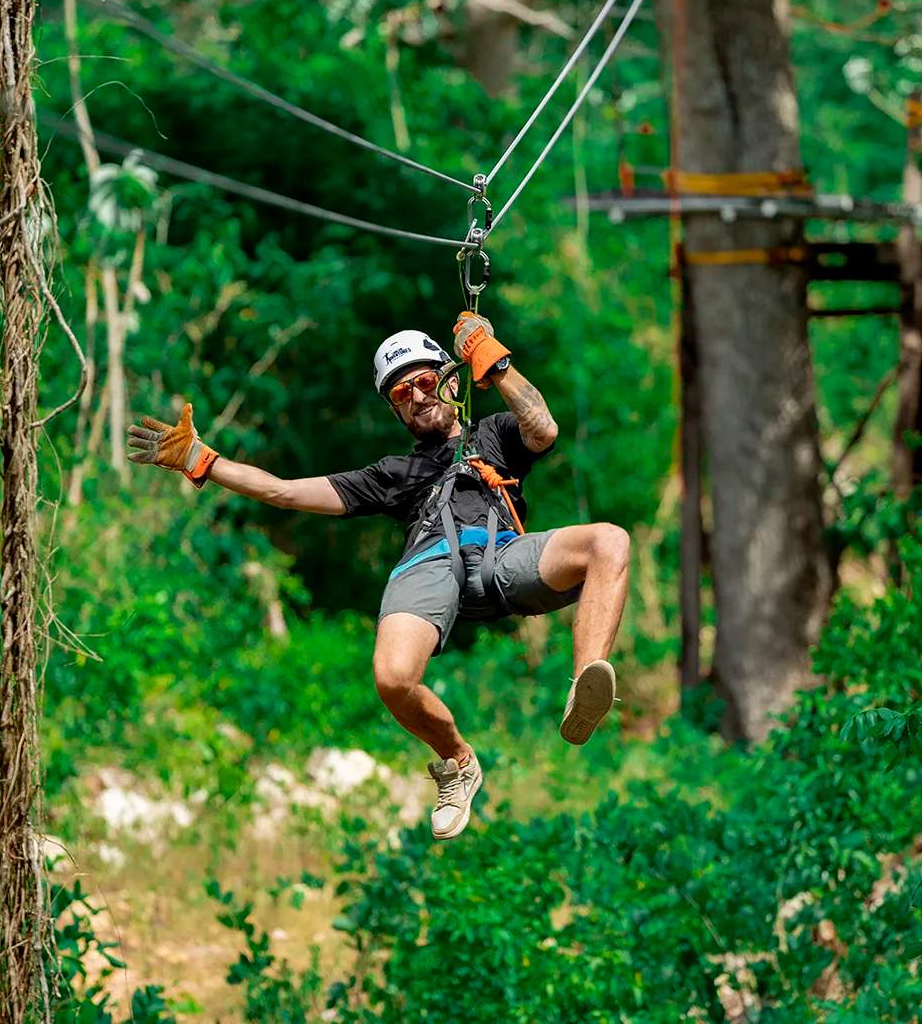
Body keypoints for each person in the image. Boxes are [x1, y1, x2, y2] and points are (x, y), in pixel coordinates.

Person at [127, 312, 630, 841]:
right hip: (430, 563)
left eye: (424, 382)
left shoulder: (495, 433)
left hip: (503, 555)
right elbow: (283, 490)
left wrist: (492, 360)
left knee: (609, 540)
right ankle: (458, 762)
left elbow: (543, 428)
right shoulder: (393, 474)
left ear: (451, 380)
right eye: (400, 394)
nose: (415, 396)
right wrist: (201, 460)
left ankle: (585, 684)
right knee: (392, 678)